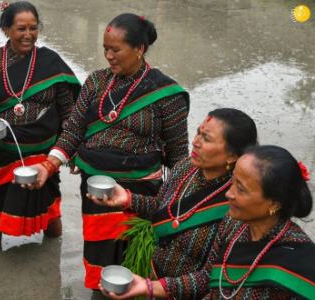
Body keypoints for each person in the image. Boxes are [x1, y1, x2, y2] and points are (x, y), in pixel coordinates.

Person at [28, 13, 190, 289]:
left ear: (139, 49)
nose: (108, 56)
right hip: (96, 190)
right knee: (100, 253)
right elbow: (74, 130)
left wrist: (181, 205)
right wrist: (49, 165)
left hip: (141, 192)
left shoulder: (166, 94)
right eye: (105, 48)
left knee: (135, 258)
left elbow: (178, 157)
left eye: (116, 49)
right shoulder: (96, 82)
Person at [101, 145, 314, 299]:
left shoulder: (298, 264)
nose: (228, 194)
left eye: (241, 189)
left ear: (274, 203)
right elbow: (208, 278)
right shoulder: (233, 224)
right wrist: (149, 287)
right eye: (232, 183)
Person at [91, 108, 258, 287]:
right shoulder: (185, 168)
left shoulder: (237, 204)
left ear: (232, 156)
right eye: (197, 133)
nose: (195, 142)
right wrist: (127, 199)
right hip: (151, 274)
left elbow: (212, 276)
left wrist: (155, 289)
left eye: (206, 139)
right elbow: (162, 208)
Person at [0, 1, 80, 248]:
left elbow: (68, 111)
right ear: (6, 29)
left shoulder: (50, 62)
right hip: (2, 153)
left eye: (33, 28)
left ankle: (52, 264)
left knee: (51, 213)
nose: (28, 35)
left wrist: (72, 152)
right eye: (21, 28)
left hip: (44, 155)